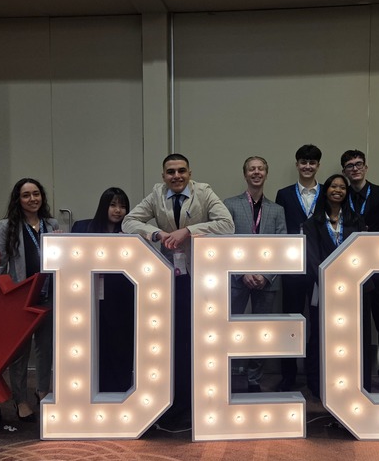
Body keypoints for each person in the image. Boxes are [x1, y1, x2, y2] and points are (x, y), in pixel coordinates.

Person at [122, 154, 234, 426]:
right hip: (168, 279)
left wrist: (189, 230)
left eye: (181, 171)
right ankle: (175, 399)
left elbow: (227, 225)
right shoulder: (156, 194)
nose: (176, 176)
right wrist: (156, 234)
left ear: (189, 173)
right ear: (163, 176)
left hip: (201, 279)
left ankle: (199, 400)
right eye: (170, 172)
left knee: (199, 341)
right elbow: (128, 222)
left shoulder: (204, 192)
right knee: (173, 341)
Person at [0, 177, 59, 422]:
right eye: (26, 195)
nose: (32, 199)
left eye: (36, 194)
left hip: (48, 294)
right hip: (20, 298)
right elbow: (0, 264)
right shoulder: (7, 226)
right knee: (20, 352)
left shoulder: (51, 224)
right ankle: (20, 399)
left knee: (46, 347)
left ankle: (42, 391)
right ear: (18, 200)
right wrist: (1, 296)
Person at [340, 149, 379, 393]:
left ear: (366, 167)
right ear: (344, 171)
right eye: (350, 166)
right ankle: (359, 376)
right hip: (350, 270)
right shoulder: (340, 194)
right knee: (356, 326)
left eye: (358, 164)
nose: (355, 169)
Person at [223, 156, 287, 393]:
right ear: (245, 174)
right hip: (236, 279)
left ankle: (254, 379)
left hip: (266, 281)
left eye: (261, 169)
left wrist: (265, 274)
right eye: (252, 169)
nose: (256, 172)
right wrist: (242, 272)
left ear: (266, 174)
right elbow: (224, 243)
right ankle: (226, 374)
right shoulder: (229, 205)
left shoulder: (277, 210)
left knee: (262, 330)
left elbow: (282, 246)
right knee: (229, 328)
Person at [303, 174, 366, 399]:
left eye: (342, 187)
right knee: (319, 335)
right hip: (322, 287)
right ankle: (316, 383)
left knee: (348, 337)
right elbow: (311, 257)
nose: (338, 190)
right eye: (333, 186)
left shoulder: (356, 221)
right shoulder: (312, 223)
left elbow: (362, 253)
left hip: (351, 288)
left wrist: (348, 280)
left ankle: (348, 383)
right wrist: (328, 279)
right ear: (326, 190)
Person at [72, 187, 134, 393]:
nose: (118, 210)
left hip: (121, 298)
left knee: (120, 343)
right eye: (113, 205)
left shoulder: (131, 232)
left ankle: (120, 388)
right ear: (103, 206)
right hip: (90, 295)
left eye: (122, 206)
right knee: (94, 342)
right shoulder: (83, 228)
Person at [274, 144, 322, 391]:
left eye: (312, 162)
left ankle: (315, 377)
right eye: (303, 162)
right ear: (297, 164)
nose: (307, 166)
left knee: (317, 323)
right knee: (289, 320)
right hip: (292, 267)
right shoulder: (284, 194)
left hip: (318, 268)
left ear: (318, 166)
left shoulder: (327, 193)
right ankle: (288, 375)